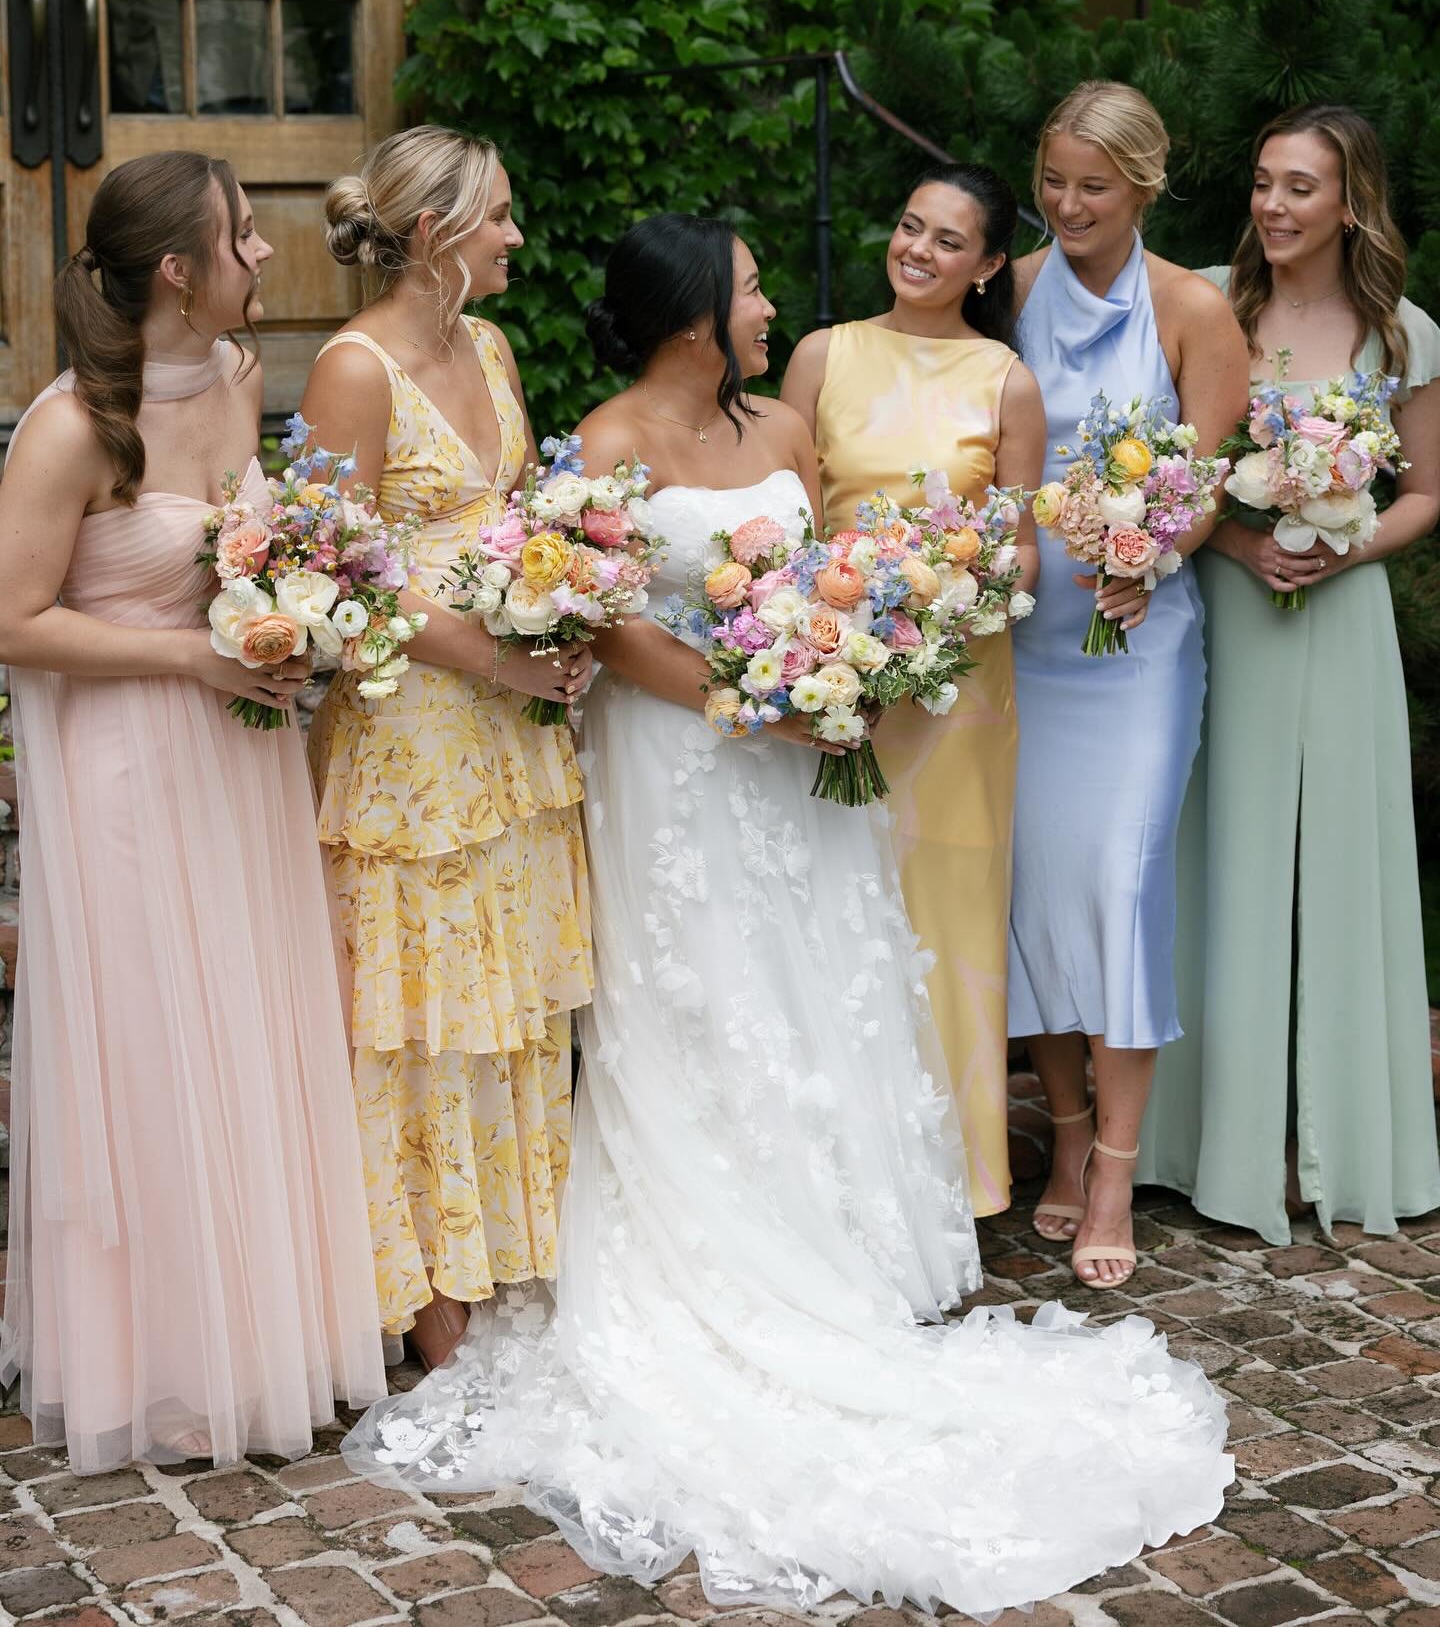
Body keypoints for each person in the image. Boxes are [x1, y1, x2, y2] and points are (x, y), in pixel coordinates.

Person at [338, 211, 1232, 1620]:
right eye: (751, 288)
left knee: (819, 977)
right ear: (696, 314)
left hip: (807, 771)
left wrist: (846, 666)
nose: (771, 308)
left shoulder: (782, 434)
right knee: (700, 998)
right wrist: (742, 698)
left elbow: (820, 575)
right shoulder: (610, 439)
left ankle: (837, 1233)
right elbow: (601, 616)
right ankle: (716, 1238)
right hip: (682, 771)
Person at [0, 150, 385, 1472]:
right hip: (127, 761)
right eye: (242, 239)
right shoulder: (68, 427)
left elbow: (248, 546)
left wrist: (292, 623)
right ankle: (162, 1358)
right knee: (154, 1044)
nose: (265, 256)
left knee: (247, 1018)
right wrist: (192, 655)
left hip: (239, 751)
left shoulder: (234, 377)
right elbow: (13, 619)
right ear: (179, 269)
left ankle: (269, 1330)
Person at [301, 125, 592, 1373]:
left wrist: (567, 592)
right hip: (413, 739)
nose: (518, 237)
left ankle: (503, 1252)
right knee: (421, 1009)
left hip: (512, 731)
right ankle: (423, 1291)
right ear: (434, 236)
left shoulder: (492, 342)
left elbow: (514, 515)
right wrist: (497, 656)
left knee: (507, 997)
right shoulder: (350, 369)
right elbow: (337, 576)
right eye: (500, 218)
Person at [1139, 103, 1440, 1242]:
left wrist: (1344, 543)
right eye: (1264, 181)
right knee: (1226, 851)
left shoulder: (1403, 332)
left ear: (1350, 201)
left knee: (1349, 860)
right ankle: (1210, 1143)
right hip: (1230, 604)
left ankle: (1349, 1141)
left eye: (1299, 187)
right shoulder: (1219, 311)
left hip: (1343, 608)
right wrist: (1235, 540)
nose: (1272, 204)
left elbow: (1424, 492)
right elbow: (1174, 477)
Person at [1007, 82, 1250, 1289]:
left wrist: (1153, 552)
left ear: (1146, 188)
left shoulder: (1193, 308)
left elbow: (1204, 480)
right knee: (1035, 886)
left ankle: (1116, 1164)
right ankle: (1060, 1126)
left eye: (1092, 187)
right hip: (1026, 640)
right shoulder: (1008, 287)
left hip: (1137, 644)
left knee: (1122, 878)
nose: (1067, 205)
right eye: (1052, 180)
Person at [782, 163, 1044, 1217]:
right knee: (831, 903)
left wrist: (946, 611)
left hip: (957, 688)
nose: (917, 249)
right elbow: (788, 519)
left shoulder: (1004, 379)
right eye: (907, 225)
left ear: (985, 265)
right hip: (839, 670)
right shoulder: (822, 355)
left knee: (946, 914)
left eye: (947, 239)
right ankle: (837, 1168)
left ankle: (956, 1179)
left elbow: (1021, 547)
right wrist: (832, 637)